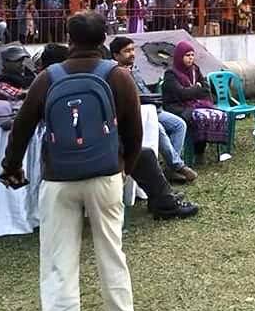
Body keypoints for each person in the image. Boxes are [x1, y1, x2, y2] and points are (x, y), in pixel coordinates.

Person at [0, 12, 142, 311]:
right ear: (104, 38)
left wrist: (11, 167)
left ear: (69, 39)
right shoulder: (118, 77)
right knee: (111, 253)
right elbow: (134, 133)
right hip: (106, 176)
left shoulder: (48, 77)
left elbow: (21, 127)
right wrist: (124, 170)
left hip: (59, 179)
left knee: (57, 260)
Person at [34, 42, 198, 222]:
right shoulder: (86, 84)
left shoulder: (44, 83)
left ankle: (163, 198)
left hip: (59, 158)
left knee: (144, 153)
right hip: (90, 158)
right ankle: (165, 202)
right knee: (142, 154)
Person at [110, 36, 197, 183]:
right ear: (116, 55)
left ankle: (170, 169)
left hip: (153, 108)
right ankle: (177, 165)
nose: (132, 54)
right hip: (136, 114)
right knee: (158, 128)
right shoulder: (114, 73)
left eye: (133, 50)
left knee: (179, 124)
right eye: (127, 51)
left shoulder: (134, 68)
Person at [160, 40, 229, 162]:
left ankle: (200, 152)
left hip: (194, 103)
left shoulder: (195, 69)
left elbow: (206, 89)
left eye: (192, 55)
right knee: (198, 118)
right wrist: (196, 88)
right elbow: (181, 94)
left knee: (214, 115)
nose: (190, 58)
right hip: (176, 106)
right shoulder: (171, 73)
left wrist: (200, 95)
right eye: (187, 55)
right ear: (179, 56)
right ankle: (191, 153)